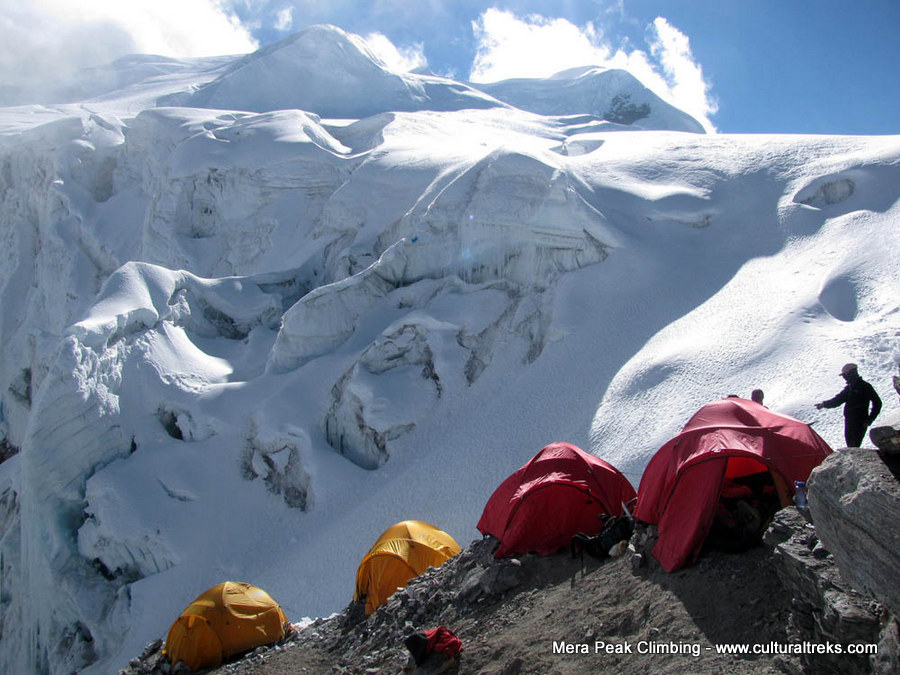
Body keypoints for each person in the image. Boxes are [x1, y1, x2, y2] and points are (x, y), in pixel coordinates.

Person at [815, 363, 882, 447]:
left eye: (844, 375)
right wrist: (823, 404)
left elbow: (877, 403)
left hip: (860, 422)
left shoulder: (865, 386)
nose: (844, 378)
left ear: (850, 374)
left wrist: (870, 419)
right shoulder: (850, 388)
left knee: (853, 445)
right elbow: (837, 400)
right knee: (851, 445)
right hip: (850, 421)